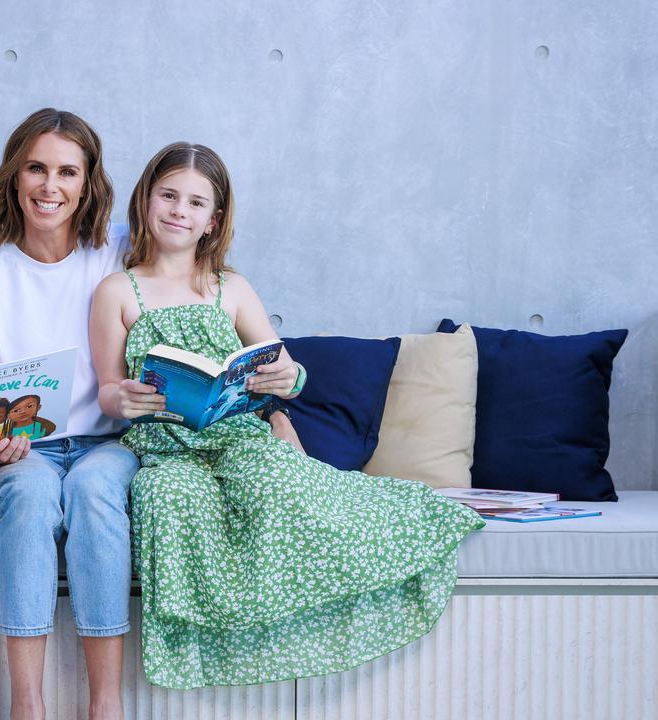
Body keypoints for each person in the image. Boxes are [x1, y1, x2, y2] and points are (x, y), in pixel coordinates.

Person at [88, 141, 484, 690]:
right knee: (166, 500)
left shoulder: (232, 287)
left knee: (277, 482)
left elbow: (288, 371)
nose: (180, 210)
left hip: (238, 435)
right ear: (146, 201)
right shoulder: (117, 291)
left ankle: (292, 615)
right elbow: (107, 387)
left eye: (196, 203)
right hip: (165, 446)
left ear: (213, 220)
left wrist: (286, 376)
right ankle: (209, 639)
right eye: (169, 196)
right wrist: (122, 398)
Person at [0, 108, 296, 720]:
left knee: (95, 491)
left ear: (89, 185)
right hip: (22, 453)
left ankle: (103, 706)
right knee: (31, 500)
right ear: (13, 176)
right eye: (35, 169)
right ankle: (25, 706)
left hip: (112, 443)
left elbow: (199, 282)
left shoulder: (116, 253)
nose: (49, 187)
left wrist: (274, 408)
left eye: (66, 172)